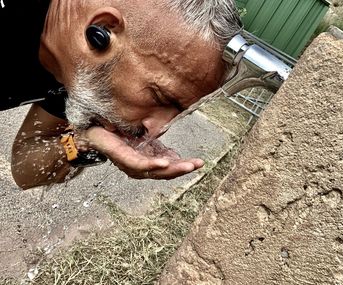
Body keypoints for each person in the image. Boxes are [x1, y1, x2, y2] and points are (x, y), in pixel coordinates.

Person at [1, 0, 242, 189]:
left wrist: (86, 141)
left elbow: (24, 168)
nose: (157, 131)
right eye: (159, 98)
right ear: (103, 31)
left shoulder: (81, 72)